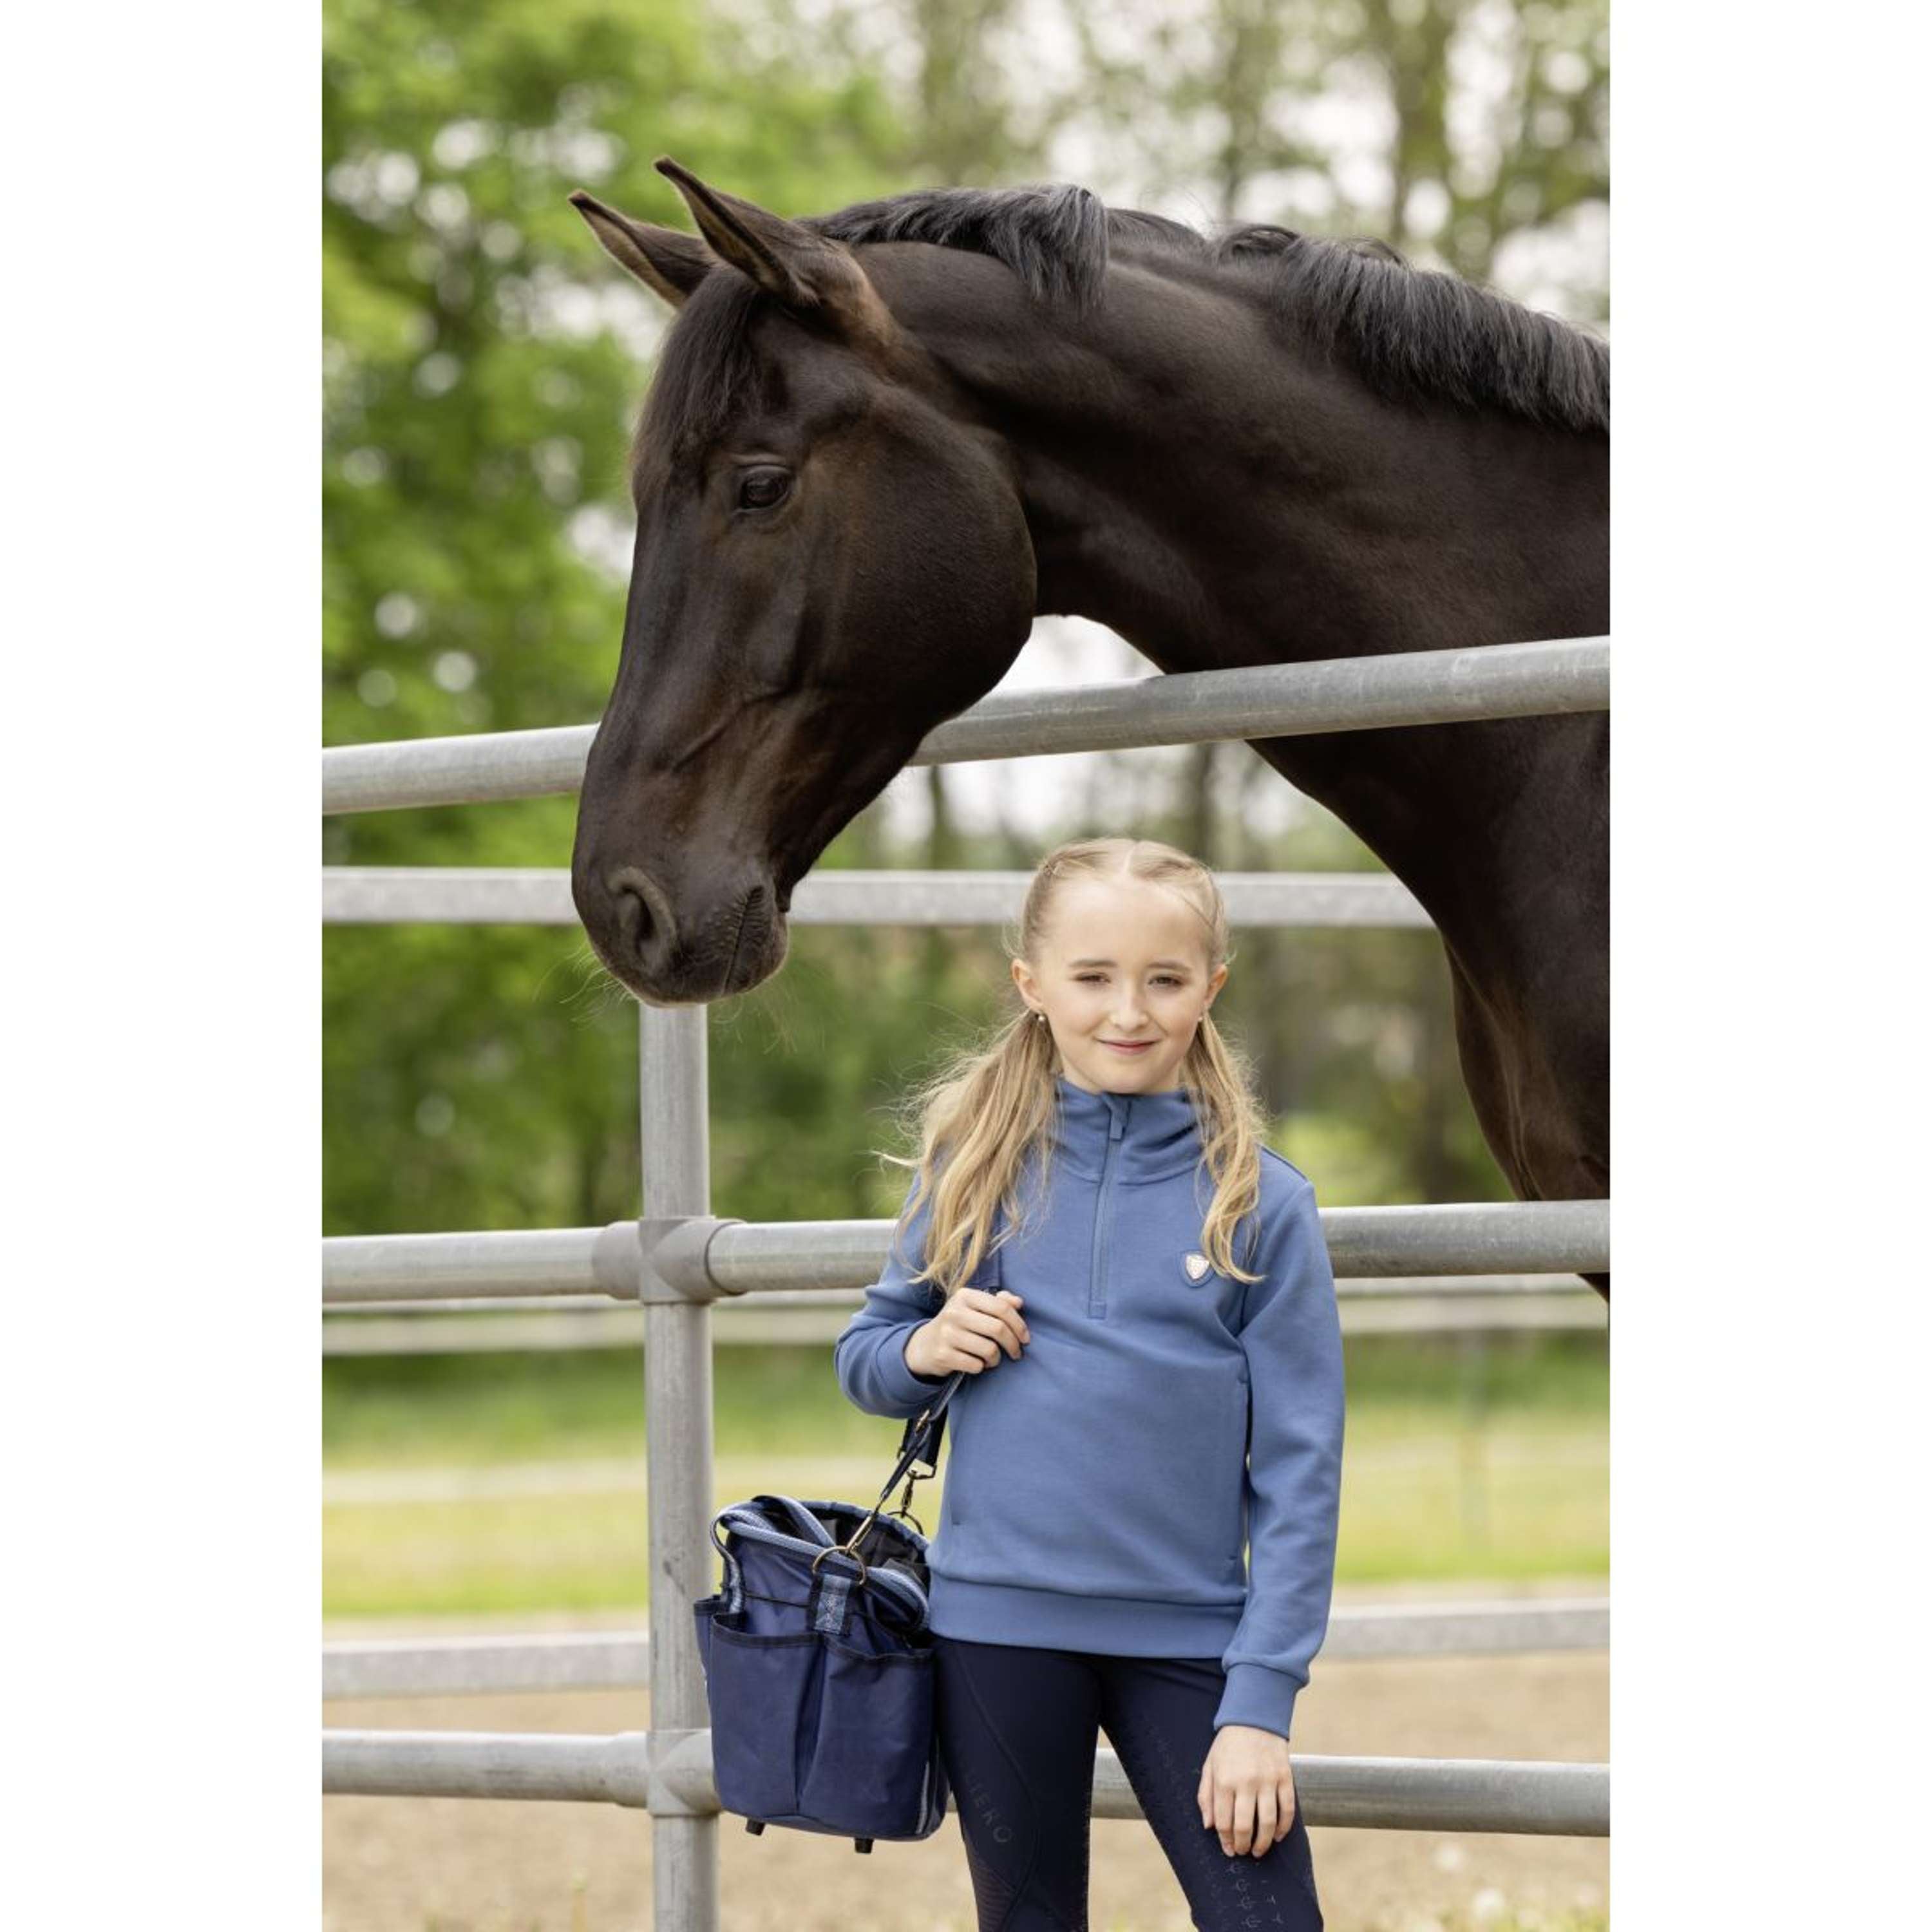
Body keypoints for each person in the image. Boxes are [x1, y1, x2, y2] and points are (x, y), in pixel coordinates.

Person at [835, 836, 1344, 1931]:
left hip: (1195, 1643)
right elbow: (866, 1357)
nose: (1128, 1011)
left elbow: (1302, 1471)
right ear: (1032, 985)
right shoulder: (972, 1170)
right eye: (1094, 977)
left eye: (1164, 980)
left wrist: (1262, 1703)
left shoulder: (1262, 1203)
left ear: (1211, 988)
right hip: (997, 1635)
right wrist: (925, 1348)